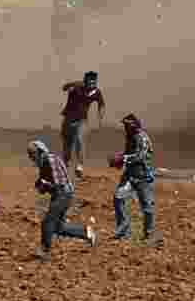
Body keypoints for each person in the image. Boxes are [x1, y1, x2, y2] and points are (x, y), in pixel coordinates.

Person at [27, 139, 98, 261]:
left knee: (48, 222)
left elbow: (58, 184)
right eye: (30, 155)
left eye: (33, 154)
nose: (31, 158)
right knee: (58, 227)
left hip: (63, 194)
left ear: (41, 152)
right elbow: (45, 188)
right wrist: (41, 186)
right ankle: (86, 232)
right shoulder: (43, 164)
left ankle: (45, 251)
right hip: (59, 195)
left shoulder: (50, 159)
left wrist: (45, 185)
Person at [111, 113, 162, 245]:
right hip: (129, 175)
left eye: (127, 126)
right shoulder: (130, 137)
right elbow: (129, 154)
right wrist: (119, 159)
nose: (125, 128)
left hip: (143, 177)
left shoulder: (142, 137)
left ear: (133, 126)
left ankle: (149, 235)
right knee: (118, 198)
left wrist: (123, 158)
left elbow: (140, 156)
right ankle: (123, 232)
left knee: (147, 207)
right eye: (125, 126)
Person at [59, 71, 106, 179]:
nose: (92, 83)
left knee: (80, 140)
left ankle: (80, 166)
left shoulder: (96, 92)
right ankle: (65, 167)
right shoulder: (77, 87)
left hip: (82, 120)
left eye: (94, 80)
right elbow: (64, 87)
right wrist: (73, 84)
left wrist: (100, 116)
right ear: (85, 80)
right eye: (90, 80)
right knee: (67, 145)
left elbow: (101, 104)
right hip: (68, 119)